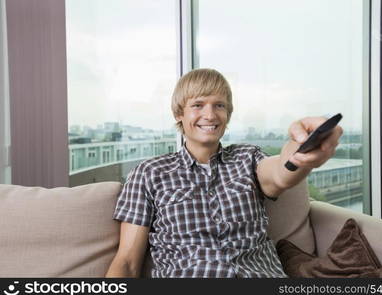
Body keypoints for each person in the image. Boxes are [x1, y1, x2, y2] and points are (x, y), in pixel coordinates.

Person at [105, 68, 343, 278]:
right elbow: (126, 262)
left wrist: (300, 149)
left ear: (228, 113)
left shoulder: (247, 158)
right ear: (179, 113)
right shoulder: (149, 173)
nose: (210, 115)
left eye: (219, 105)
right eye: (198, 105)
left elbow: (280, 173)